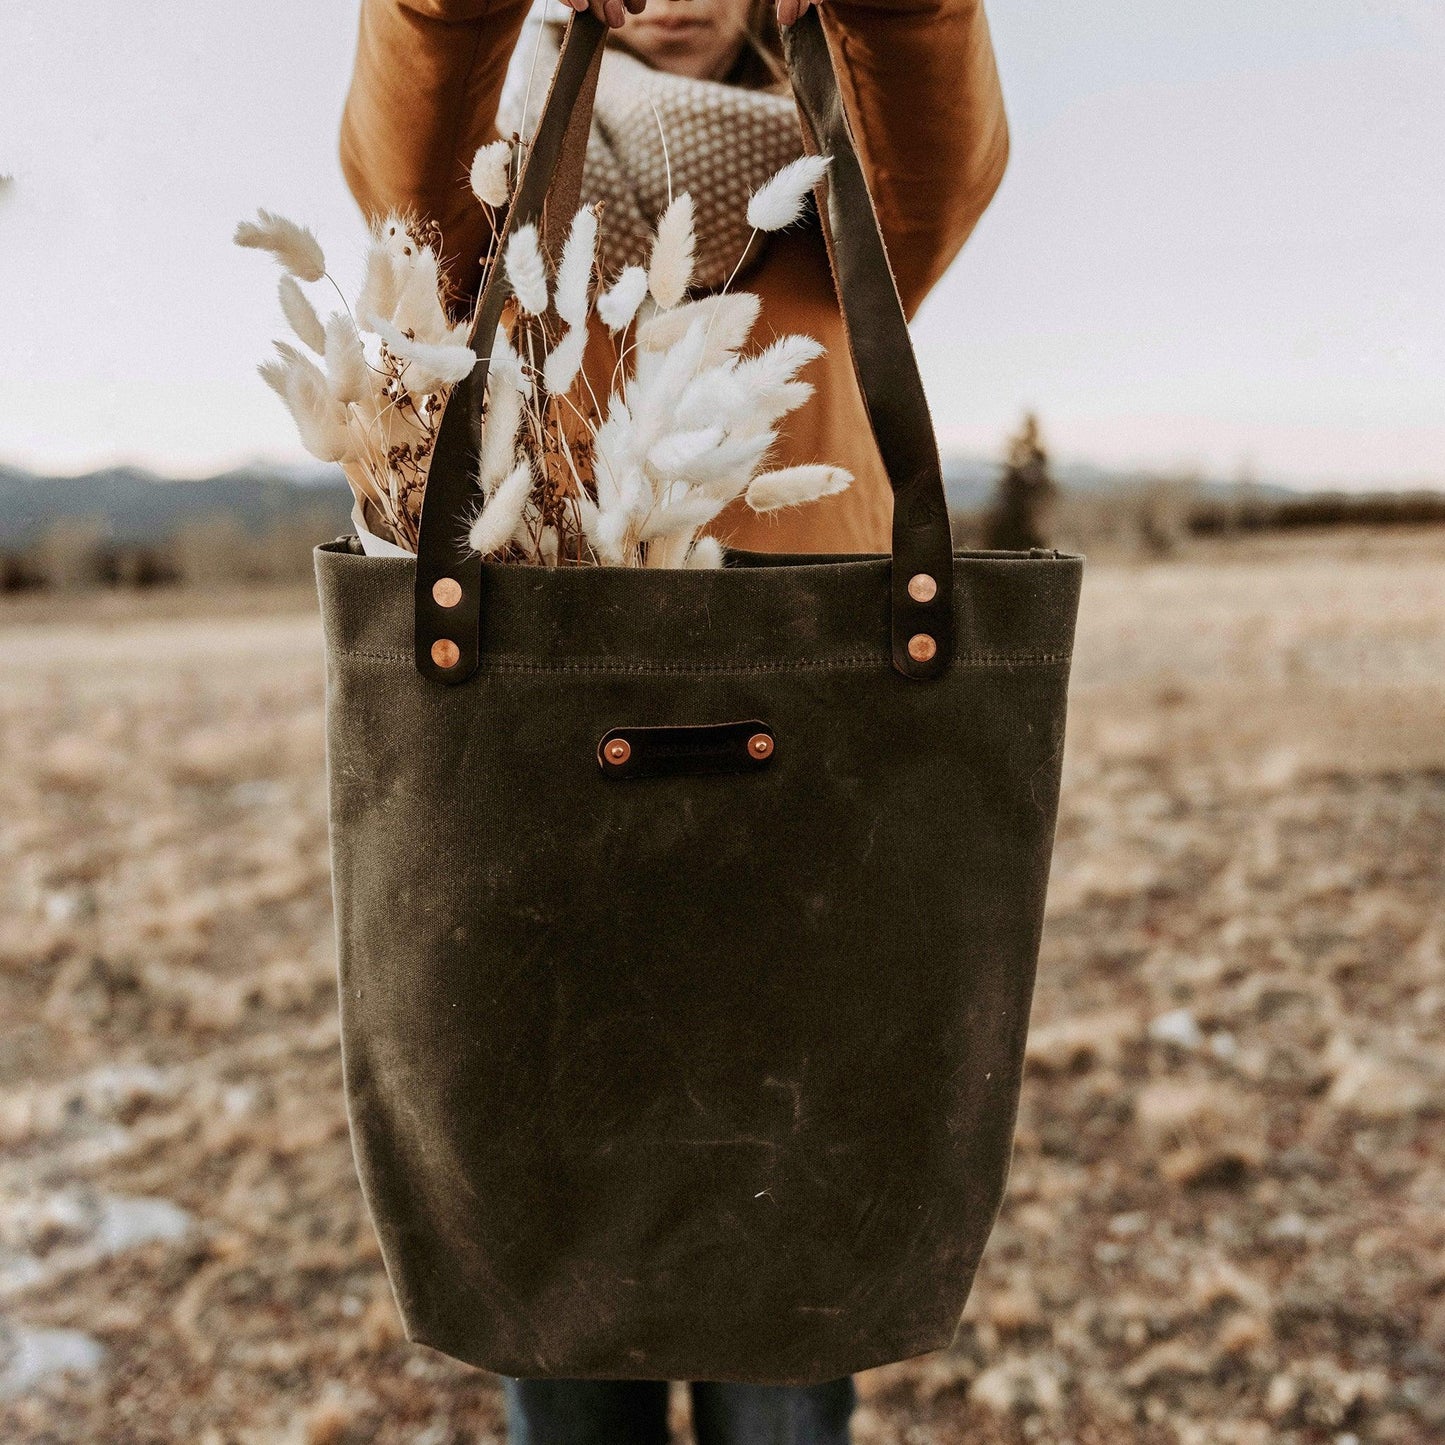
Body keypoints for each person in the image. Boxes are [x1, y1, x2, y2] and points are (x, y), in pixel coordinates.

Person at [339, 0, 1007, 1439]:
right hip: (539, 780)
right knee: (560, 1287)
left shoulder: (840, 159)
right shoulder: (500, 159)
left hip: (820, 785)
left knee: (784, 1292)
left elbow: (943, 145)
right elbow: (400, 178)